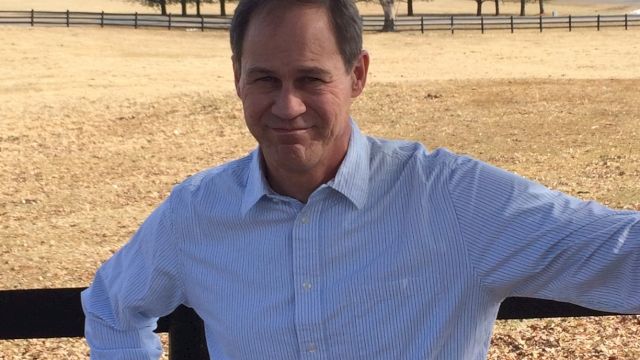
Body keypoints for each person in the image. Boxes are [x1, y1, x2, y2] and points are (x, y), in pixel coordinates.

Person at [81, 0, 640, 358]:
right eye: (265, 79)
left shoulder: (451, 201)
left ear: (357, 75)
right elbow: (111, 305)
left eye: (310, 78)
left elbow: (618, 251)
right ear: (237, 79)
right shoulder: (197, 212)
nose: (287, 105)